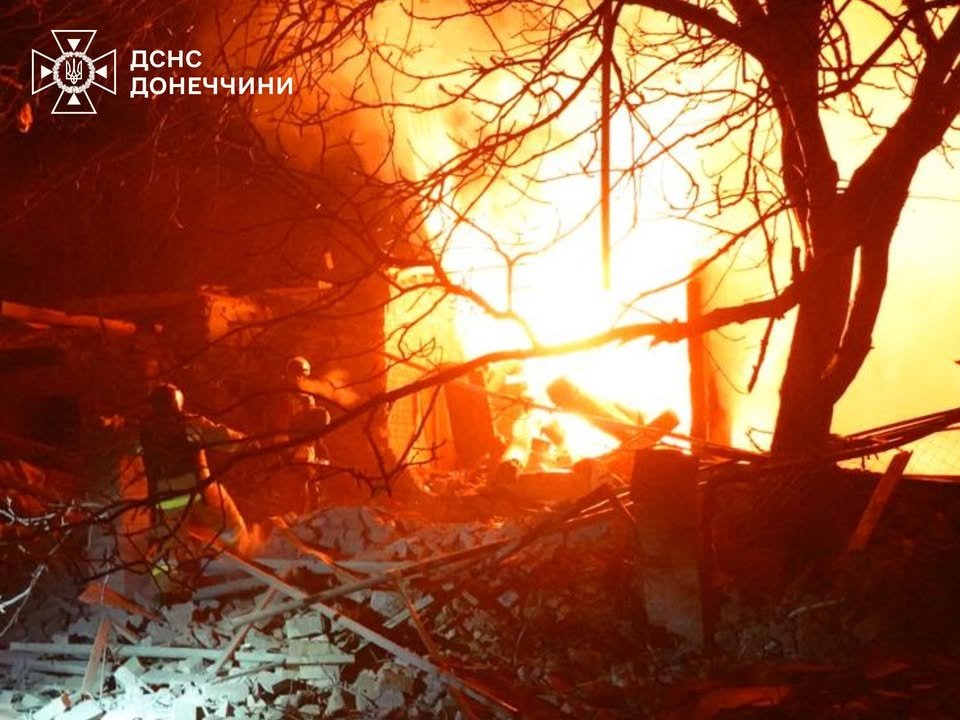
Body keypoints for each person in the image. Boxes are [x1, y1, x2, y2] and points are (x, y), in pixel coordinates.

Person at [139, 383, 254, 590]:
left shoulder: (145, 432)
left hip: (166, 499)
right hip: (200, 491)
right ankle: (244, 567)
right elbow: (224, 438)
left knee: (166, 546)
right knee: (231, 527)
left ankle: (166, 589)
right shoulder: (190, 423)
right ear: (177, 402)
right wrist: (249, 442)